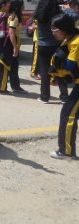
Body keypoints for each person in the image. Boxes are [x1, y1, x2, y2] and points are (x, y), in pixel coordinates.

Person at [49, 13, 79, 159]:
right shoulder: (68, 40)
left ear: (64, 29)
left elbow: (69, 65)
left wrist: (58, 71)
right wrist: (56, 76)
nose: (53, 32)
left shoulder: (76, 42)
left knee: (68, 115)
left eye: (55, 29)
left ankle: (66, 152)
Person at [34, 0, 67, 103]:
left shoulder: (39, 15)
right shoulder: (58, 15)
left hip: (43, 45)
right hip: (57, 45)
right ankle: (64, 97)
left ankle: (44, 97)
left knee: (44, 71)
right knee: (60, 70)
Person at [7, 0, 28, 94]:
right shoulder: (15, 17)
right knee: (14, 66)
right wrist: (15, 47)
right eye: (22, 5)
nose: (24, 7)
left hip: (14, 41)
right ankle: (15, 87)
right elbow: (11, 33)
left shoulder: (14, 16)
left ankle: (15, 86)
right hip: (13, 42)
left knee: (14, 66)